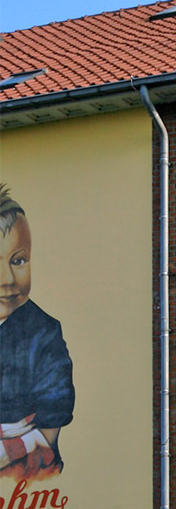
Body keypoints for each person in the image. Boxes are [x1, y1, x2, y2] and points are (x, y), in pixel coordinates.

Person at [0, 185, 74, 479]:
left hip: (24, 467)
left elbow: (52, 416)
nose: (6, 279)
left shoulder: (43, 333)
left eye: (18, 261)